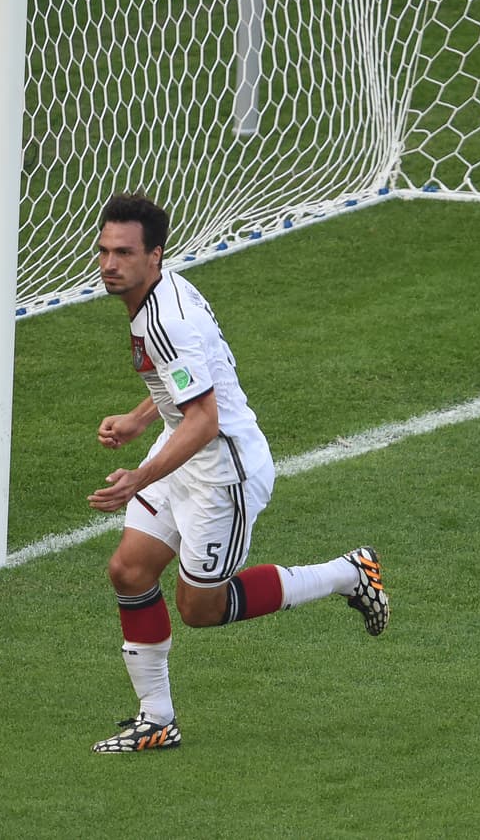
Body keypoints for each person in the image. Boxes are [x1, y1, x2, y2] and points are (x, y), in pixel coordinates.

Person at [88, 193, 389, 753]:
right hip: (186, 450)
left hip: (221, 473)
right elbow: (195, 382)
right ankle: (156, 720)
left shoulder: (164, 321)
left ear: (155, 254)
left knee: (200, 607)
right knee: (129, 570)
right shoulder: (164, 292)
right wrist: (137, 417)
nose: (110, 264)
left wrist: (141, 476)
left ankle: (348, 573)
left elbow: (204, 421)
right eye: (104, 251)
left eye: (124, 253)